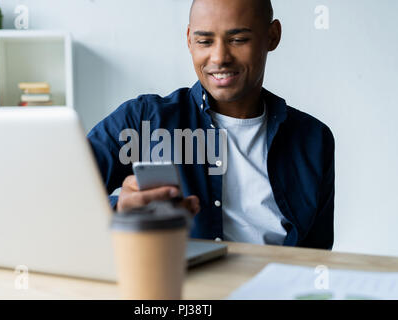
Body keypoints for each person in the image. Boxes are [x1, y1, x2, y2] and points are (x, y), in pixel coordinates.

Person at [87, 0, 335, 249]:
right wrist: (117, 208)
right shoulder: (143, 120)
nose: (219, 58)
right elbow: (59, 192)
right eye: (204, 41)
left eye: (238, 40)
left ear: (272, 36)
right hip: (182, 286)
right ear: (189, 40)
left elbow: (316, 256)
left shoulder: (314, 140)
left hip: (277, 284)